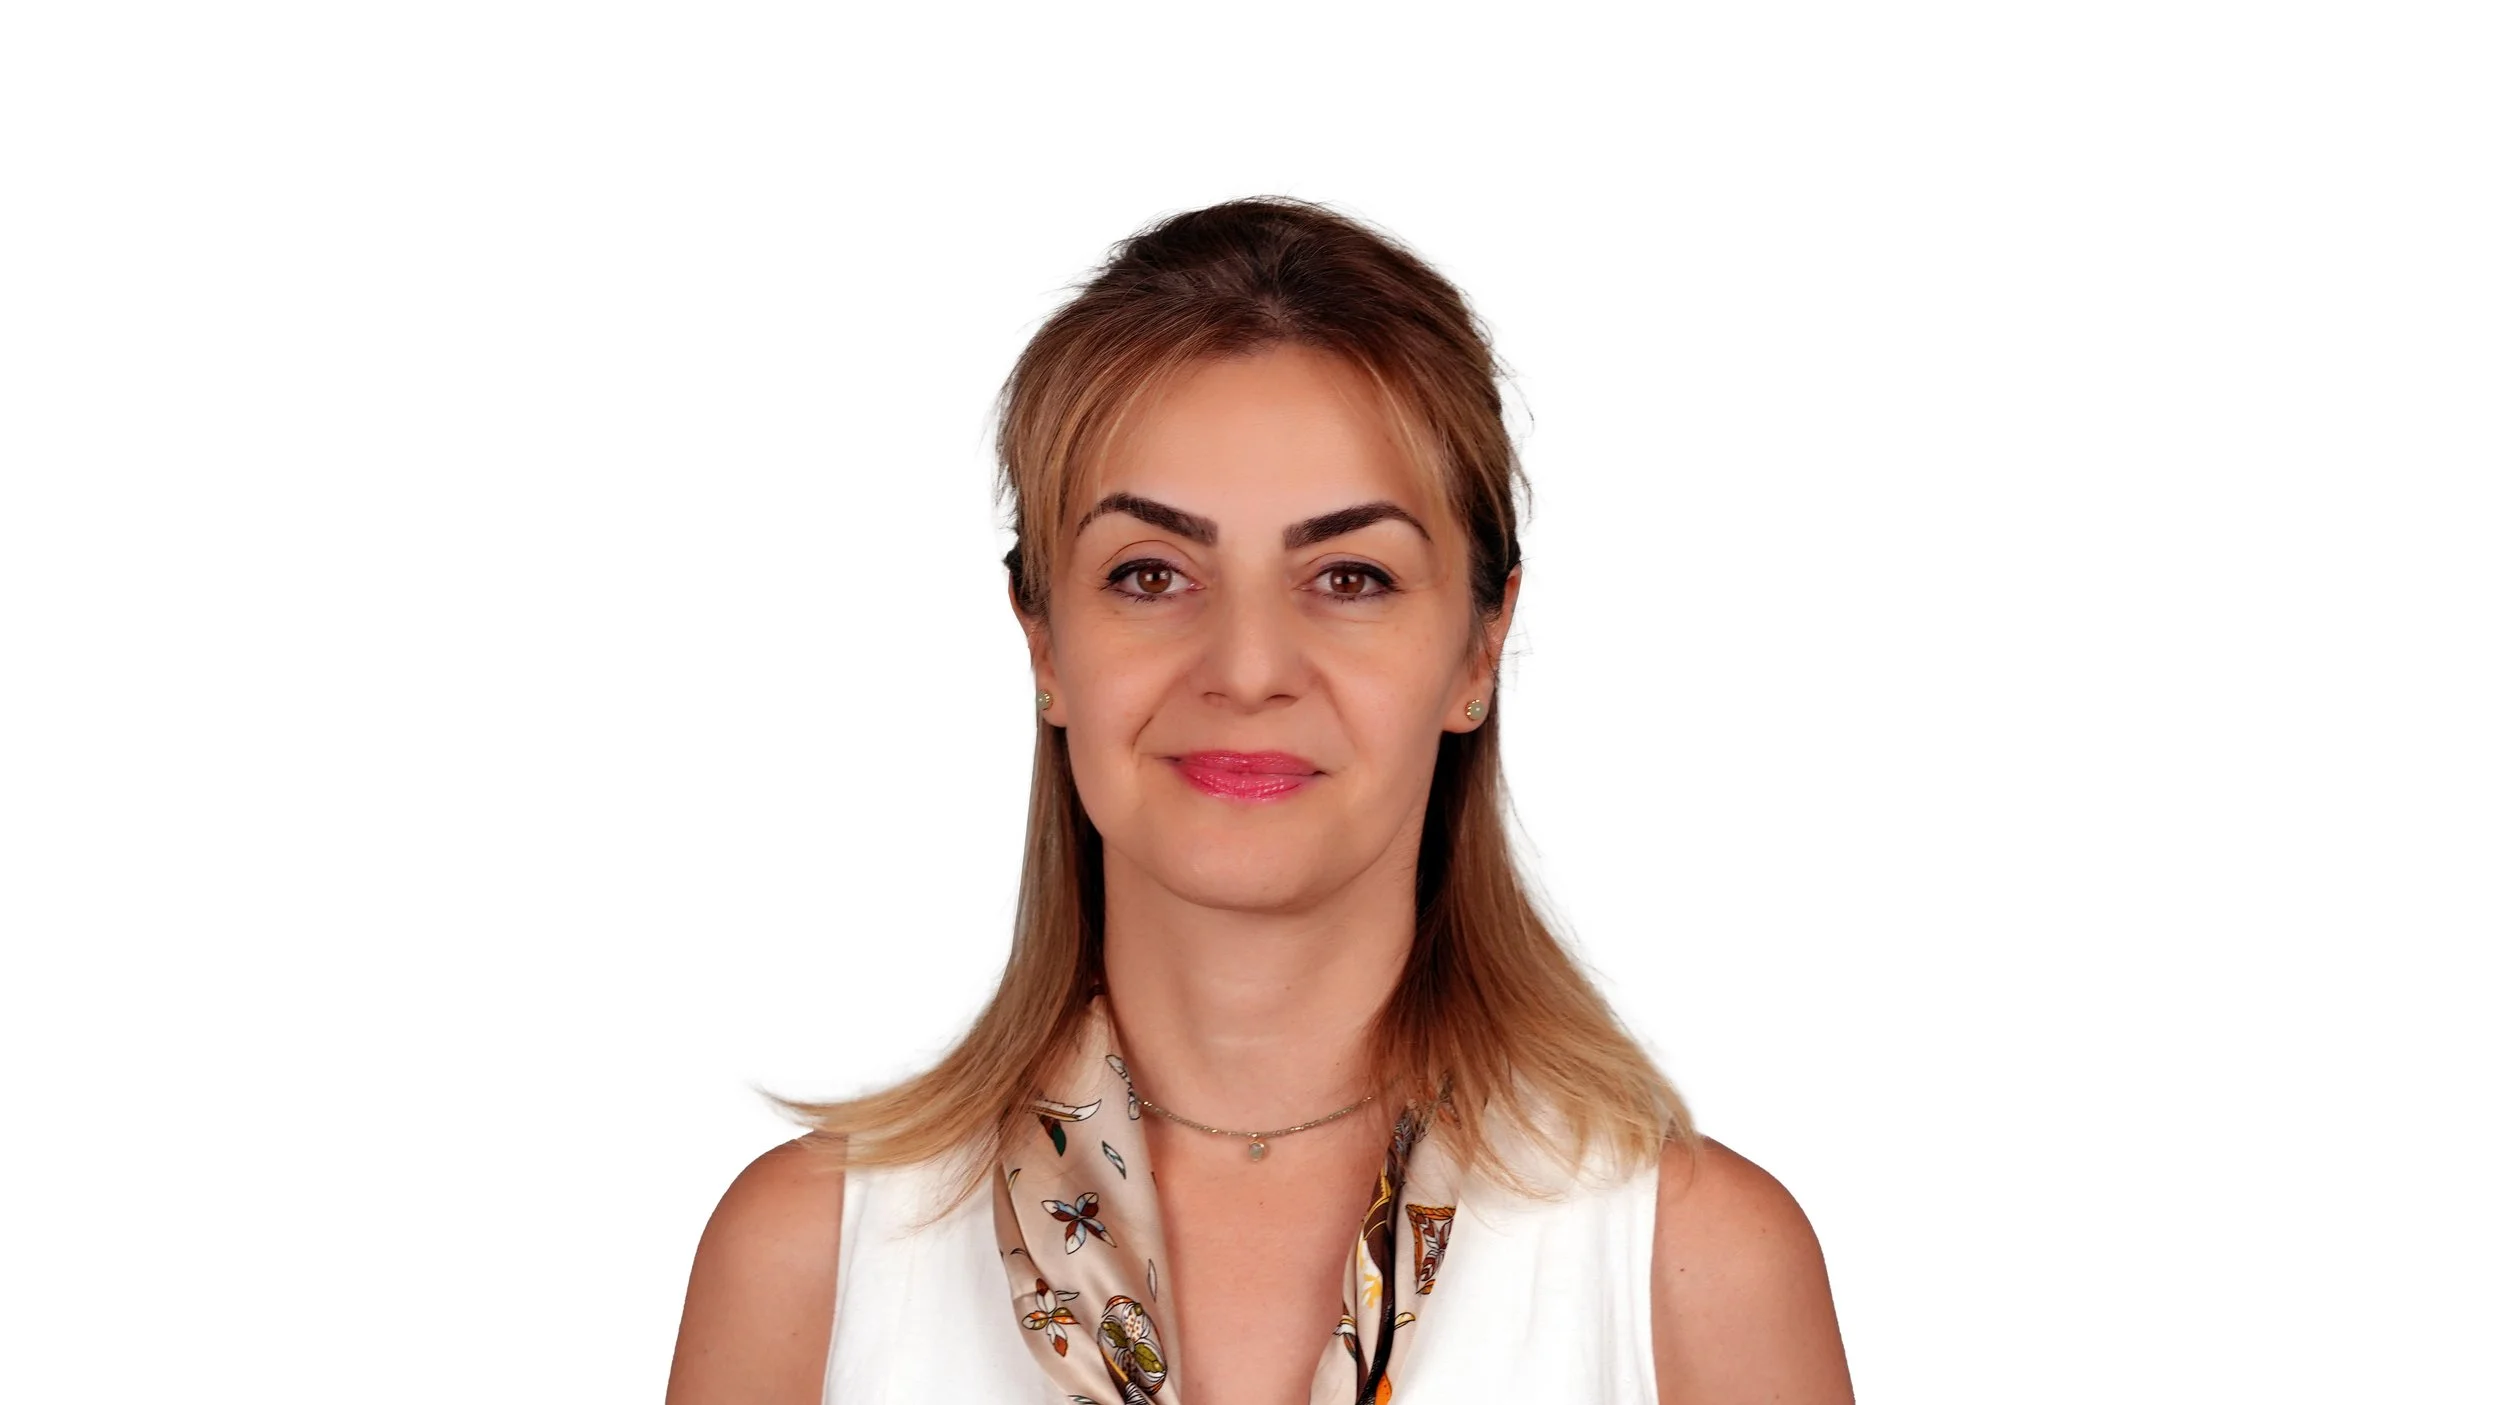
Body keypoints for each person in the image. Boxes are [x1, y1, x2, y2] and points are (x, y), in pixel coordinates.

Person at [665, 196, 1852, 1405]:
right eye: (1149, 573)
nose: (1244, 668)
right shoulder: (808, 1267)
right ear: (1044, 642)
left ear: (1479, 649)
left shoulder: (1694, 1271)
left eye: (1349, 575)